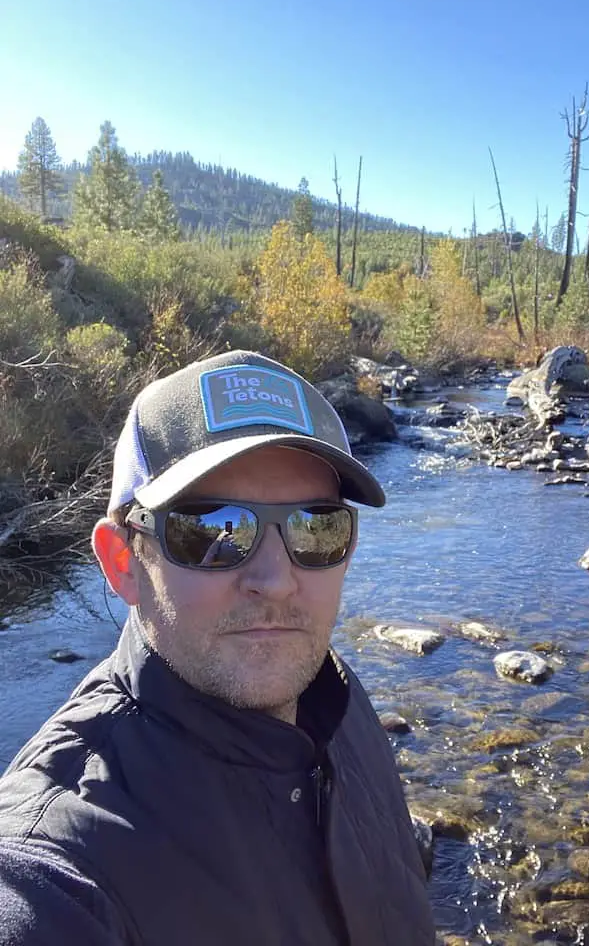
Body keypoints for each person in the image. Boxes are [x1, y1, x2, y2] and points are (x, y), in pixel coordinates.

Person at [0, 350, 436, 945]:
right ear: (124, 562)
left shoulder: (337, 699)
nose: (277, 580)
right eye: (211, 531)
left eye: (317, 526)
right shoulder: (59, 874)